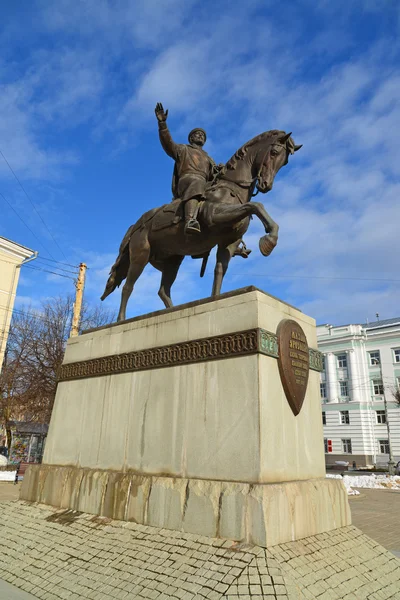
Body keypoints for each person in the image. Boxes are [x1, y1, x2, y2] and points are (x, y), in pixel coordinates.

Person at [155, 102, 222, 235]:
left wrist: (220, 171)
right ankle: (190, 220)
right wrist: (163, 125)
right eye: (197, 134)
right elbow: (168, 144)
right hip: (188, 180)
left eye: (203, 135)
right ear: (191, 138)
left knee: (220, 193)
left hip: (204, 182)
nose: (201, 136)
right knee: (197, 183)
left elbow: (213, 176)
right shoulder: (183, 149)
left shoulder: (208, 158)